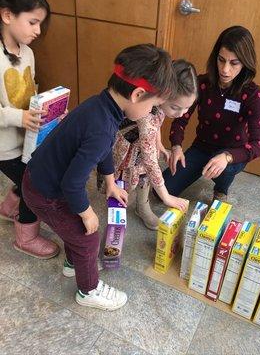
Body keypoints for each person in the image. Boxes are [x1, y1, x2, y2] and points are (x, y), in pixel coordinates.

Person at [22, 43, 178, 311]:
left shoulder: (102, 105)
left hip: (42, 179)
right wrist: (86, 212)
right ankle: (88, 290)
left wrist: (109, 182)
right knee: (88, 236)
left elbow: (103, 149)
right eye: (153, 106)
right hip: (45, 192)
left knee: (77, 229)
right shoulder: (102, 127)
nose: (152, 112)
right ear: (138, 94)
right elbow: (72, 183)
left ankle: (74, 263)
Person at [162, 26, 260, 202]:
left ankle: (221, 188)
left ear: (245, 63)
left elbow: (258, 144)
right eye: (221, 60)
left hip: (232, 151)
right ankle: (208, 168)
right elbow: (180, 119)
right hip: (202, 147)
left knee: (224, 169)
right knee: (163, 189)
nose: (225, 70)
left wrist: (227, 157)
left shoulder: (253, 95)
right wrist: (176, 146)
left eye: (234, 63)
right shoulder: (202, 83)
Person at [0, 0, 59, 259]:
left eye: (40, 23)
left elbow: (29, 93)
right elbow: (13, 110)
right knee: (33, 183)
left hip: (25, 139)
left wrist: (46, 110)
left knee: (29, 172)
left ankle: (9, 208)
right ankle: (26, 237)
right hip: (2, 145)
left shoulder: (28, 54)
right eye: (32, 22)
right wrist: (19, 117)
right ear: (7, 15)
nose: (37, 30)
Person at [111, 59, 196, 229]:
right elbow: (150, 161)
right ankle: (115, 213)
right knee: (122, 183)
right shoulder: (147, 117)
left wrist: (159, 144)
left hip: (144, 145)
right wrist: (166, 197)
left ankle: (142, 206)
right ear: (162, 94)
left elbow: (157, 124)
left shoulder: (160, 107)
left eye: (187, 108)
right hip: (127, 149)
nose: (180, 114)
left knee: (144, 178)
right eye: (176, 107)